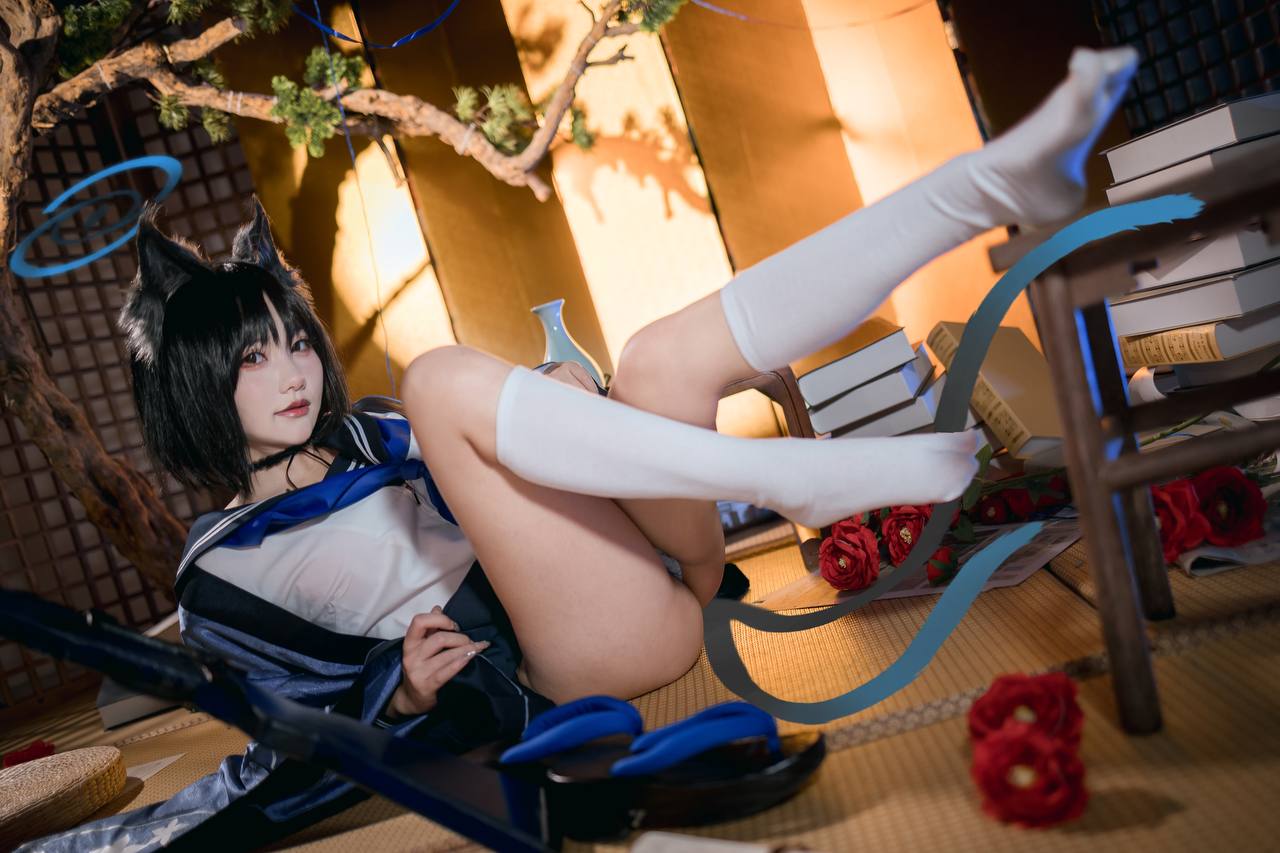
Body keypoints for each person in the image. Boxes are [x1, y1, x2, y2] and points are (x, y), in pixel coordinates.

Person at [23, 45, 1138, 851]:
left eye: (292, 341)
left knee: (653, 356)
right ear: (194, 392)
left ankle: (988, 185)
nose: (292, 370)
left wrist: (570, 404)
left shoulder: (377, 433)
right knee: (439, 374)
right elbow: (278, 735)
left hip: (665, 557)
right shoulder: (221, 572)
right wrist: (397, 696)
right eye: (251, 359)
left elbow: (513, 485)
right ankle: (789, 477)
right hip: (574, 654)